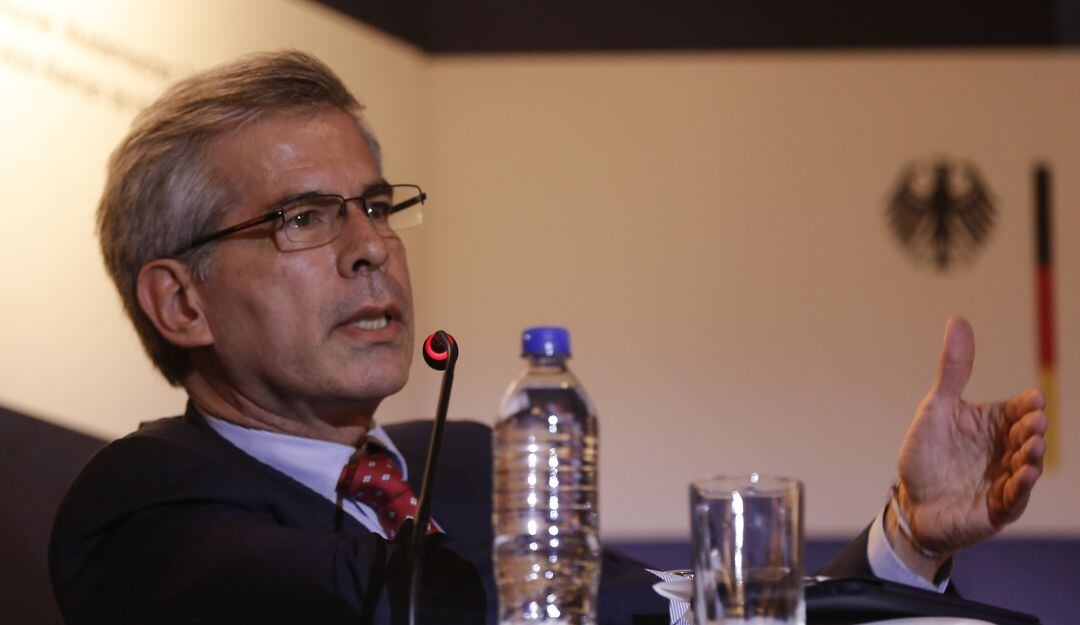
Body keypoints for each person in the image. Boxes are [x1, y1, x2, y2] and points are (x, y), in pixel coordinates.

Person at [48, 50, 1048, 625]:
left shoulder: (465, 462)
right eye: (304, 217)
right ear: (181, 303)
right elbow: (397, 606)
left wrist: (910, 538)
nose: (372, 248)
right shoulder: (142, 502)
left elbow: (670, 609)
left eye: (377, 206)